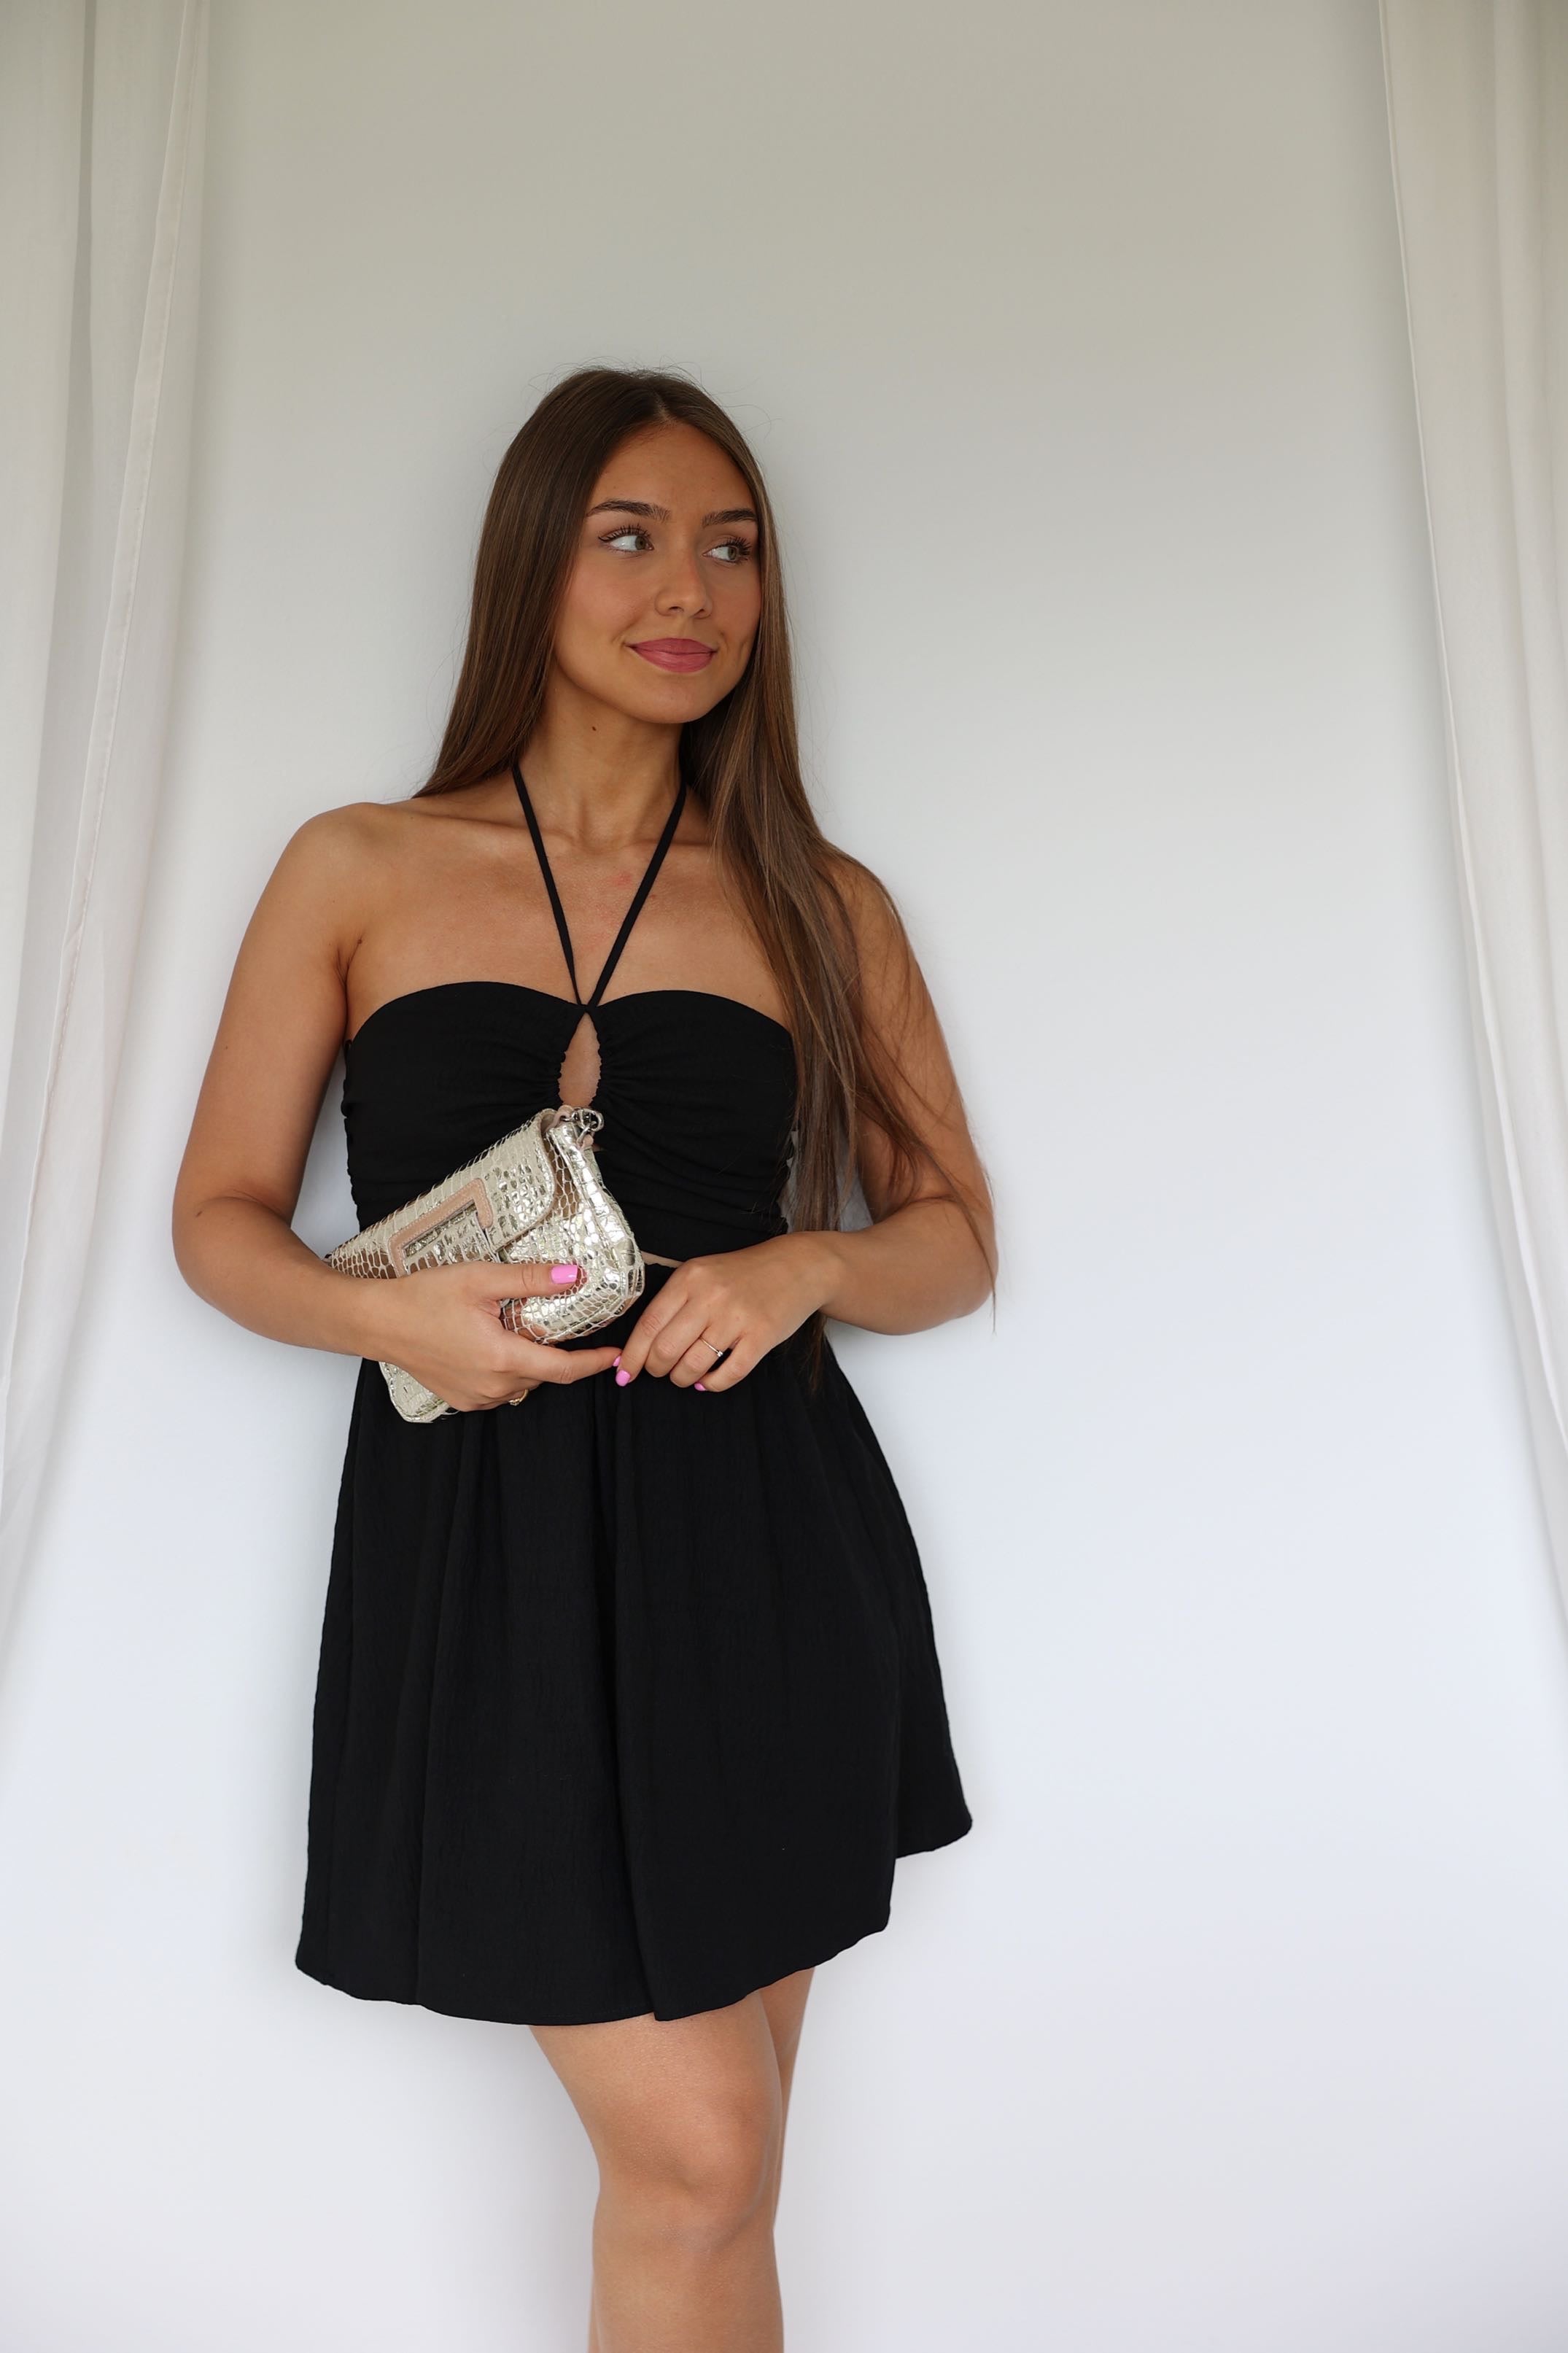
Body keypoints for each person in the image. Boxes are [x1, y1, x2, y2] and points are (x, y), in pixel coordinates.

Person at [171, 365, 994, 2353]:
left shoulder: (819, 901)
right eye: (630, 536)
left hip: (764, 1545)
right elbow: (219, 1219)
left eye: (732, 546)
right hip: (490, 1561)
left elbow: (955, 1241)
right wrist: (382, 1311)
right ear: (532, 561)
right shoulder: (358, 865)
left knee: (721, 2173)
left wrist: (805, 1264)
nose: (689, 589)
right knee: (703, 2152)